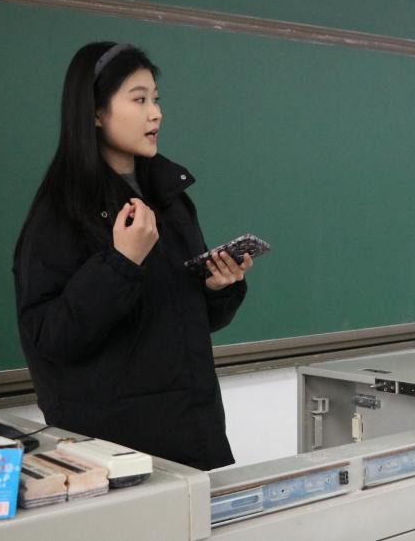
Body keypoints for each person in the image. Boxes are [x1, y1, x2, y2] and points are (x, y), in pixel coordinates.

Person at [13, 42, 250, 470]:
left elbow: (181, 318)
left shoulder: (170, 198)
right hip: (117, 454)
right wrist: (121, 263)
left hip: (196, 432)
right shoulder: (62, 212)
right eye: (139, 100)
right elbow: (50, 339)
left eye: (156, 99)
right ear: (95, 113)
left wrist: (218, 288)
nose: (155, 113)